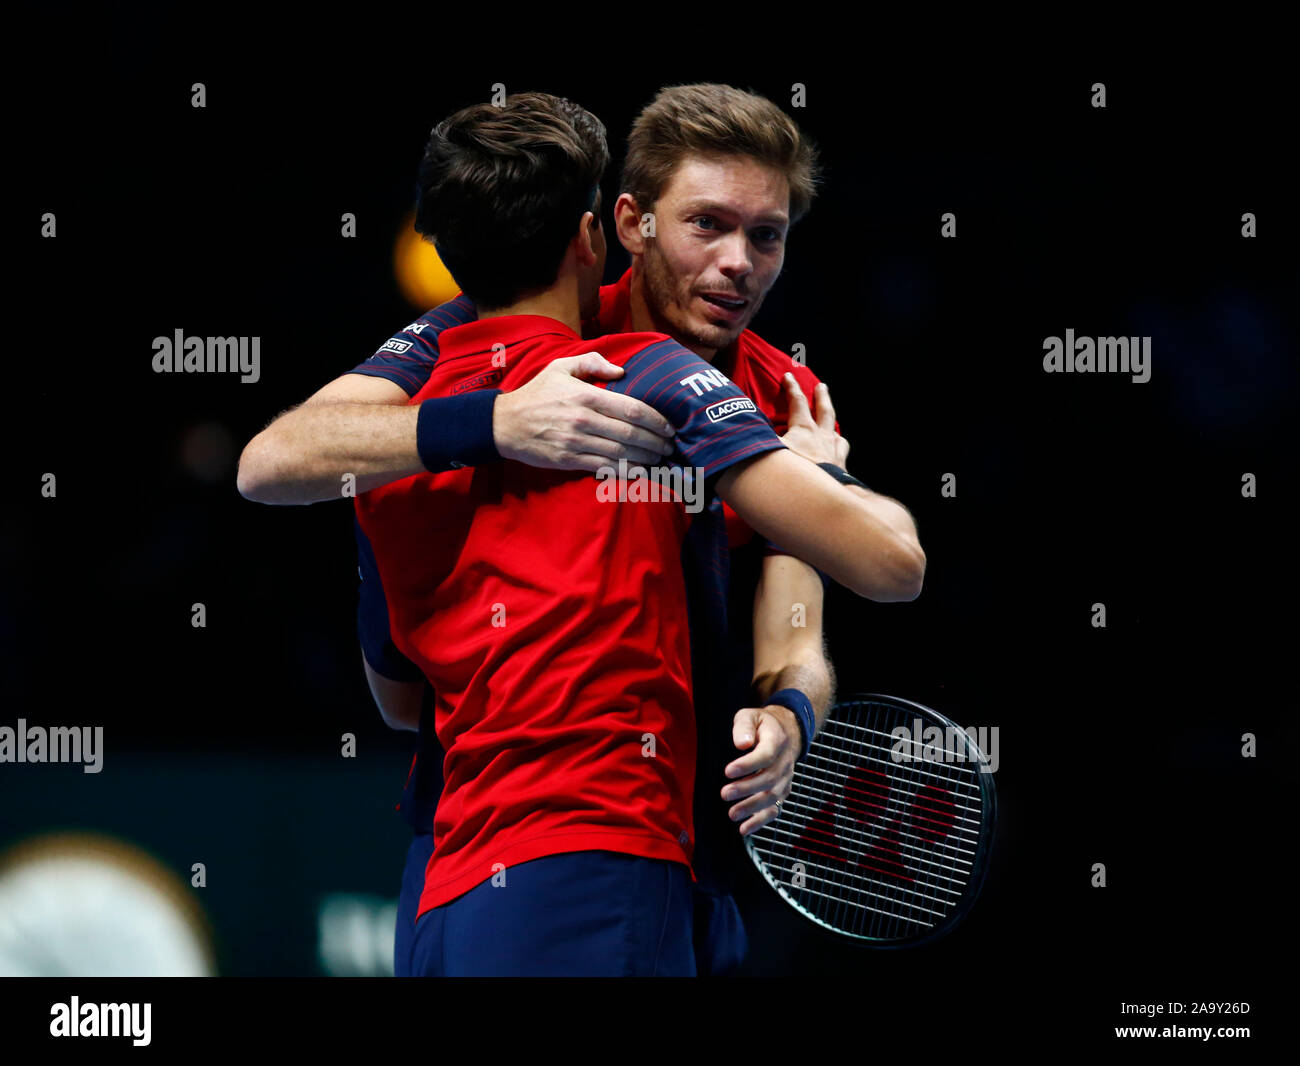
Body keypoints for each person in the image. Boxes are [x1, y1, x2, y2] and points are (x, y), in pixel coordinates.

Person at [349, 90, 923, 975]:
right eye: (707, 225)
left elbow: (801, 624)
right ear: (627, 223)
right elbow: (289, 451)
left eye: (766, 235)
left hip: (692, 849)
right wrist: (495, 426)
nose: (738, 264)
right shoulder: (519, 331)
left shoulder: (783, 398)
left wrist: (792, 713)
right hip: (529, 835)